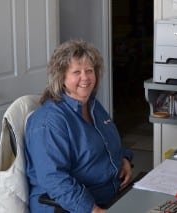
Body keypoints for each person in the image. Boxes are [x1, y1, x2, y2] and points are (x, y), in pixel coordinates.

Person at [25, 39, 133, 213]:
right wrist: (93, 210)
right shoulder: (48, 122)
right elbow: (55, 180)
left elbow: (107, 143)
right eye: (77, 72)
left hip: (109, 197)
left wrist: (124, 159)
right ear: (61, 77)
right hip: (71, 207)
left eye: (89, 71)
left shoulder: (92, 105)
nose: (85, 78)